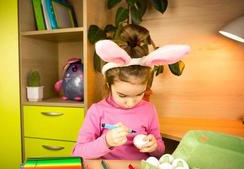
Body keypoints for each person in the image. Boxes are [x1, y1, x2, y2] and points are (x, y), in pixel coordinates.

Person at [72, 25, 190, 160]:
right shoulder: (97, 111)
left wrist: (154, 146)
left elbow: (160, 150)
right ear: (108, 84)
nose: (131, 103)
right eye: (122, 95)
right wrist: (106, 142)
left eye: (140, 94)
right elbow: (78, 152)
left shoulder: (149, 109)